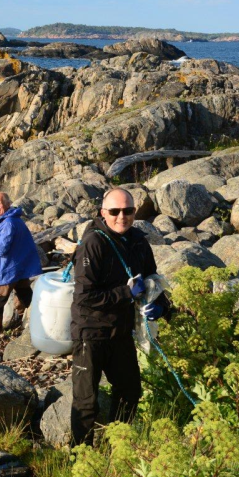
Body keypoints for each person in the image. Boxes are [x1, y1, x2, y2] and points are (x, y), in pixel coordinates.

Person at [70, 188, 170, 447]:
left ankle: (118, 447)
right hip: (89, 332)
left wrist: (161, 306)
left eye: (128, 211)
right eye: (114, 211)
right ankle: (79, 458)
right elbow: (84, 298)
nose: (121, 217)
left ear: (135, 212)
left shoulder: (139, 241)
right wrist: (125, 293)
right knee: (86, 403)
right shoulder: (93, 242)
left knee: (130, 392)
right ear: (103, 213)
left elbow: (152, 282)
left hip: (121, 331)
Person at [0, 192, 42, 347]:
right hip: (20, 268)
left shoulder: (8, 223)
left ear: (7, 204)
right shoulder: (14, 219)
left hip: (7, 270)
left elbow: (1, 249)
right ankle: (31, 323)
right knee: (25, 296)